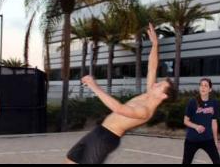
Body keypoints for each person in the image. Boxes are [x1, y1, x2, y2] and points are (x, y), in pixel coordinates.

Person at [65, 23, 176, 164]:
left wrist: (94, 86)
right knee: (69, 161)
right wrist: (155, 45)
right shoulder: (148, 95)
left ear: (163, 96)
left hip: (105, 138)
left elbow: (118, 108)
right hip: (99, 132)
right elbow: (152, 68)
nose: (155, 83)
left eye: (160, 85)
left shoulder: (145, 111)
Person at [182, 78, 220, 164]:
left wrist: (216, 140)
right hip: (192, 140)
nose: (203, 88)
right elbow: (185, 121)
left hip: (208, 139)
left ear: (210, 89)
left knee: (218, 162)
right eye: (201, 85)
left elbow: (214, 123)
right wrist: (196, 126)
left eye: (205, 86)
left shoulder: (214, 103)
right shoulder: (192, 102)